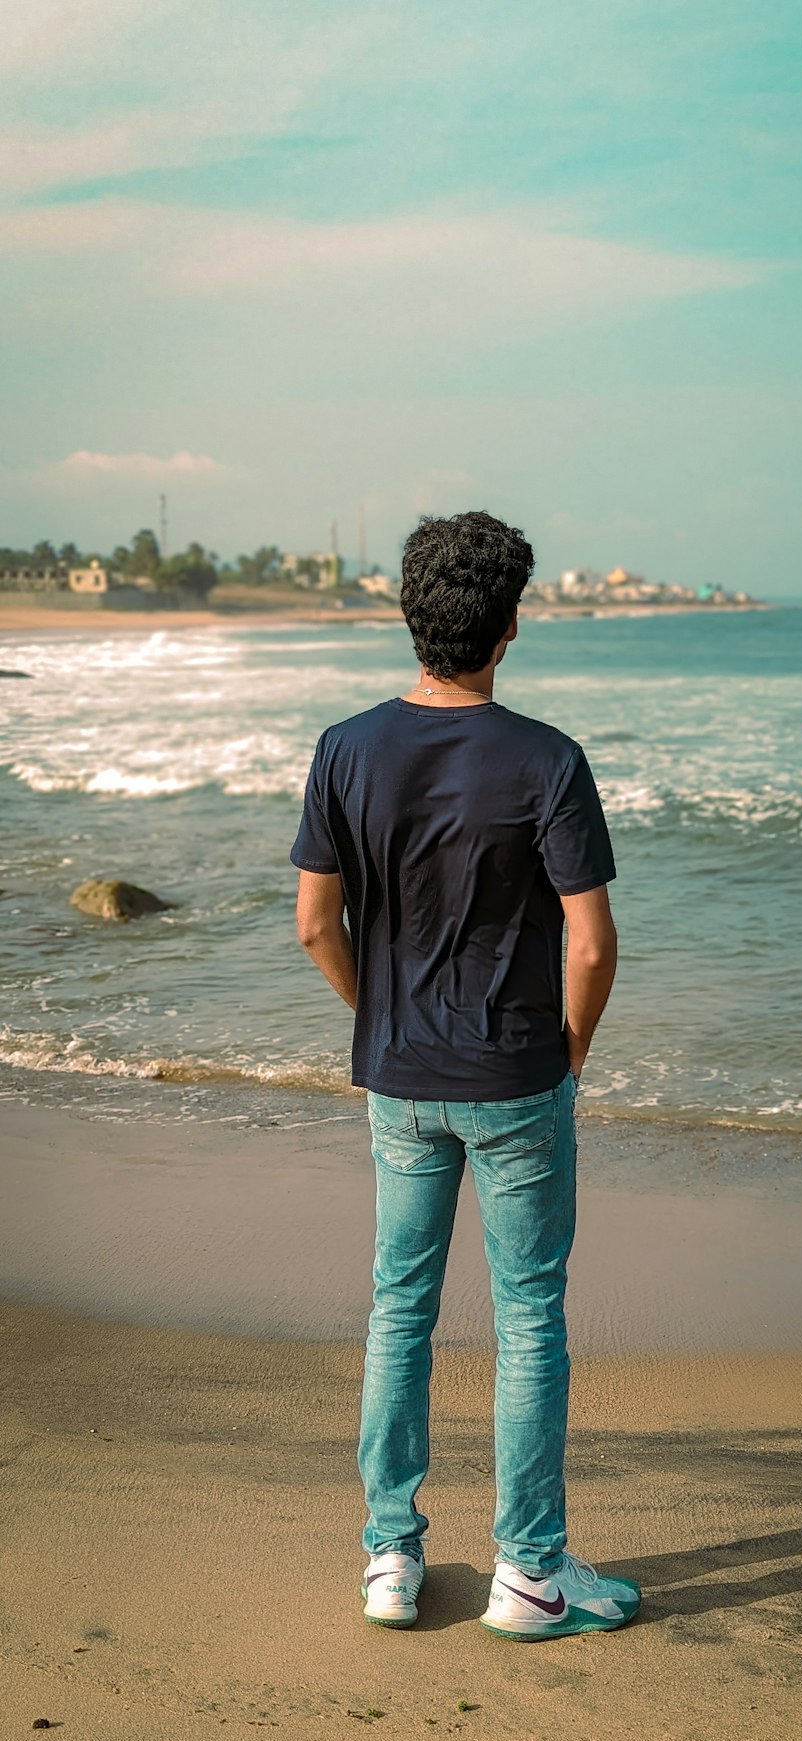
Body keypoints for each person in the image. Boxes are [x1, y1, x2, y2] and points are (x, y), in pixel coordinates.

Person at [290, 510, 640, 1641]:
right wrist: (571, 1043)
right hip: (517, 1077)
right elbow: (590, 942)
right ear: (510, 626)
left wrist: (378, 1013)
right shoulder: (548, 758)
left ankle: (391, 1557)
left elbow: (312, 923)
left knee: (401, 1307)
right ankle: (529, 1573)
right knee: (528, 1316)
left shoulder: (345, 747)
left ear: (410, 616)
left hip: (402, 1075)